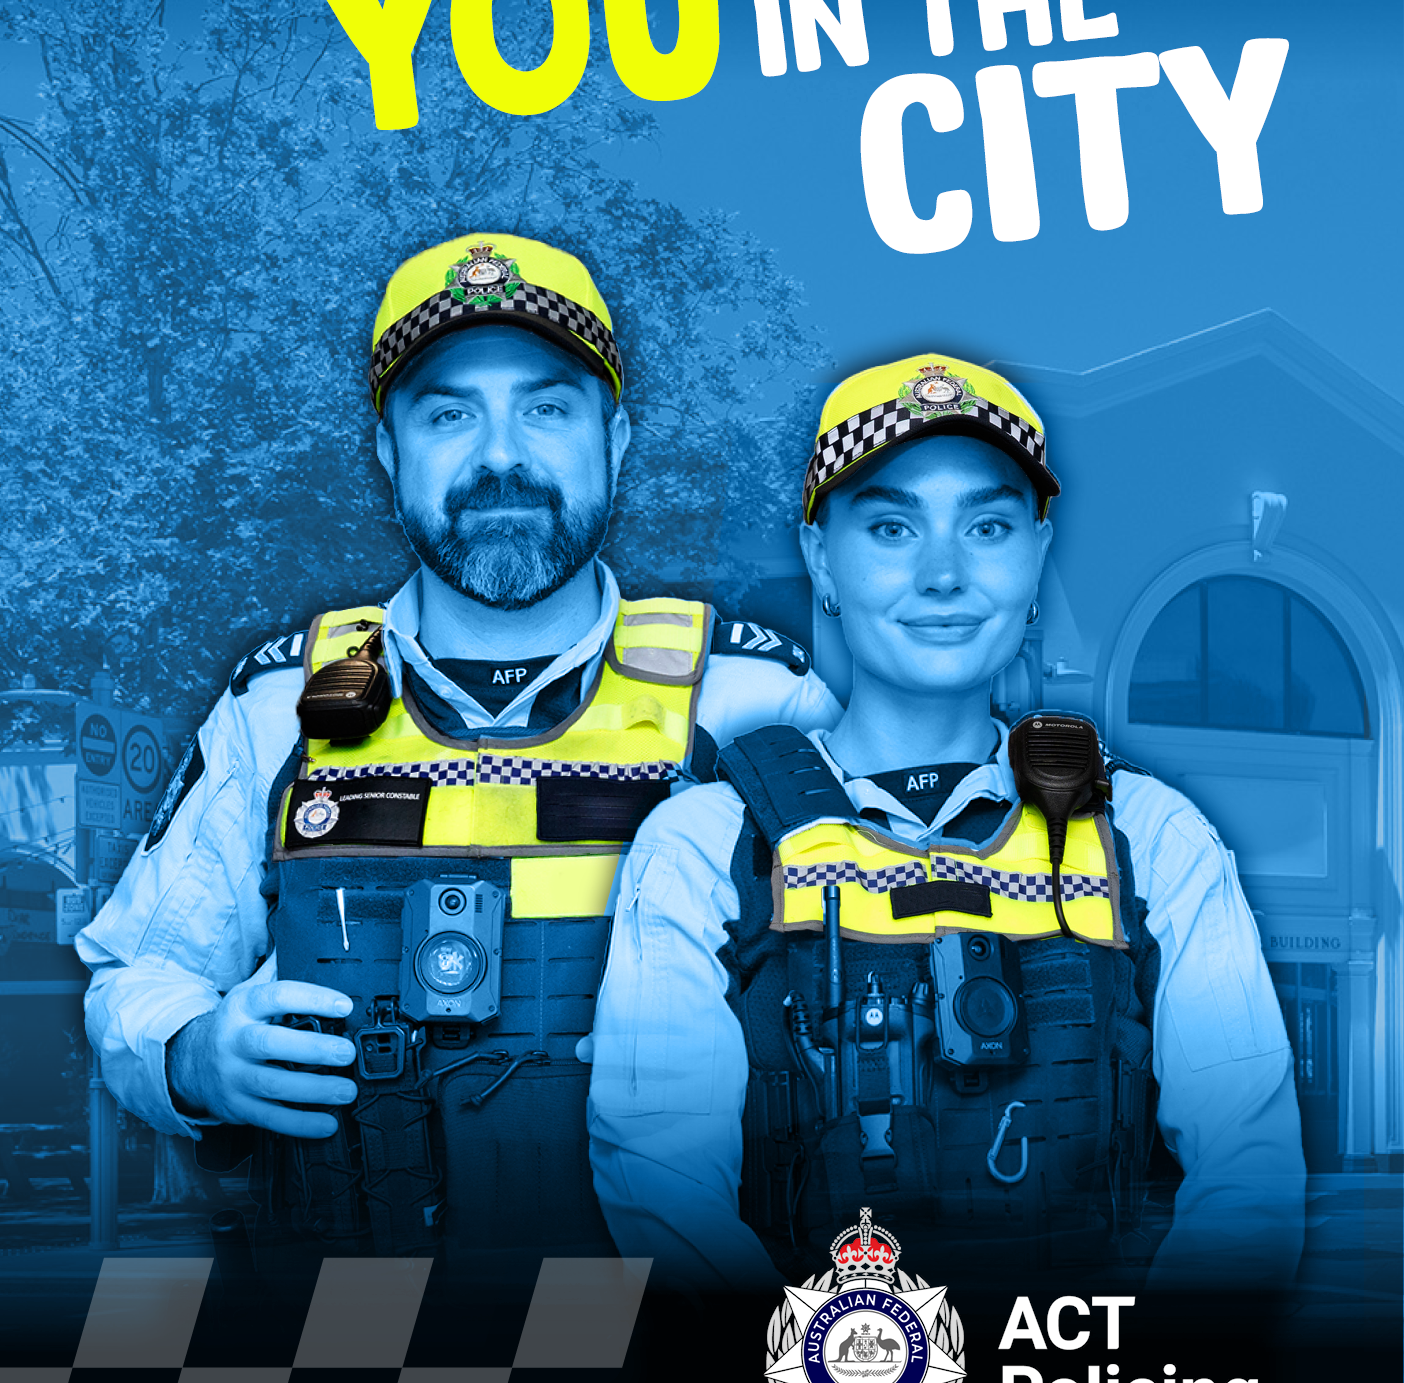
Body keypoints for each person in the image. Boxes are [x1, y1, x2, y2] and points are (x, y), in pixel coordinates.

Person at [78, 232, 838, 1265]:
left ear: (616, 439)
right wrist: (195, 1056)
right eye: (447, 412)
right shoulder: (276, 705)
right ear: (387, 453)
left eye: (548, 405)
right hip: (363, 1367)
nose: (500, 456)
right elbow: (137, 973)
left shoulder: (756, 697)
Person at [586, 352, 1307, 1295]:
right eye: (891, 526)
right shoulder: (700, 847)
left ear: (1039, 555)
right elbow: (663, 1196)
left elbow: (1248, 1184)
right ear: (820, 559)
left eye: (989, 526)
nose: (943, 576)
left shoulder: (1155, 838)